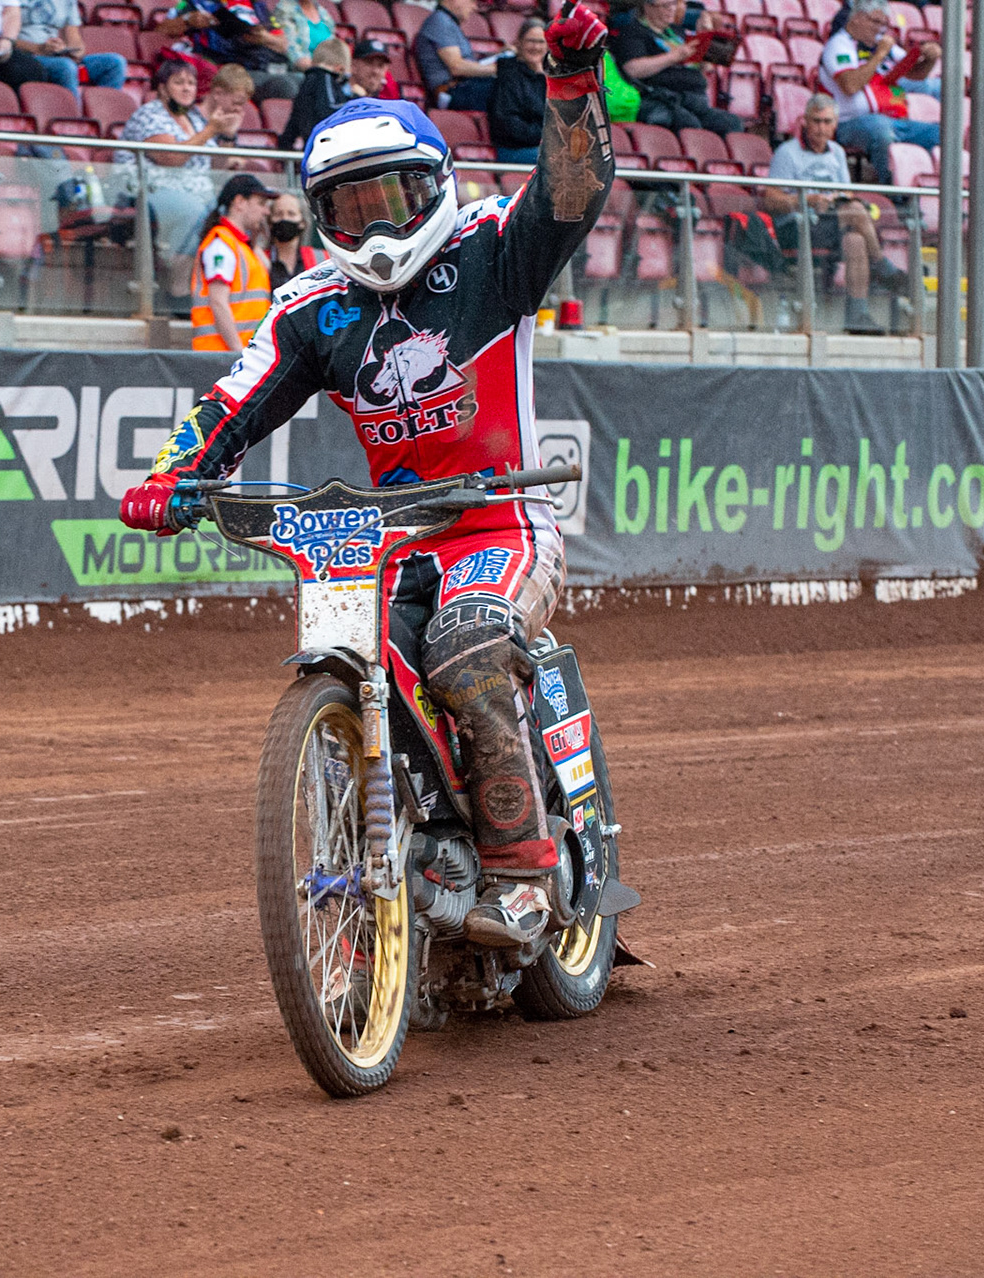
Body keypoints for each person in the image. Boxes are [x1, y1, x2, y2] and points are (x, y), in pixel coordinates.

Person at [119, 4, 616, 948]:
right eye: (349, 207)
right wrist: (174, 476)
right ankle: (394, 861)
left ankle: (520, 871)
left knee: (466, 647)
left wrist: (568, 84)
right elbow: (236, 398)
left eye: (390, 197)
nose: (374, 223)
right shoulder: (311, 307)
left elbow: (570, 190)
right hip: (392, 533)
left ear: (436, 186)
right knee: (361, 652)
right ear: (319, 217)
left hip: (501, 520)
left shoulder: (492, 252)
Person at [762, 92, 905, 334]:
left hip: (830, 221)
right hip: (797, 226)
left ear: (835, 124)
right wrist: (806, 200)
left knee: (856, 240)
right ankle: (881, 265)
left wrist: (835, 201)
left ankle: (857, 316)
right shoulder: (787, 152)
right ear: (805, 121)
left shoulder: (837, 152)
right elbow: (770, 199)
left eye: (827, 122)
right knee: (857, 212)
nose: (821, 128)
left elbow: (845, 194)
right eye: (816, 121)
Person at [117, 60, 253, 298]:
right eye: (178, 82)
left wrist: (228, 136)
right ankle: (179, 290)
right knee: (195, 211)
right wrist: (211, 130)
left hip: (196, 194)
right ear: (162, 88)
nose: (187, 88)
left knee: (230, 213)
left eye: (191, 83)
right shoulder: (150, 113)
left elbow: (214, 166)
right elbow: (170, 157)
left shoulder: (194, 120)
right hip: (147, 192)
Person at [818, 0, 940, 183]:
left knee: (941, 133)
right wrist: (879, 56)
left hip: (894, 119)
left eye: (883, 24)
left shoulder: (881, 44)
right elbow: (850, 85)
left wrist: (929, 59)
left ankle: (933, 190)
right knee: (881, 128)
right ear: (857, 18)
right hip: (850, 123)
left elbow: (912, 75)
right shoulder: (838, 45)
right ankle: (893, 190)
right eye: (875, 22)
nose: (880, 29)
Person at [613, 0, 741, 136]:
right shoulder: (633, 32)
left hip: (694, 100)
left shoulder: (676, 32)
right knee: (689, 125)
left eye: (674, 4)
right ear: (648, 6)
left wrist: (706, 42)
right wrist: (673, 57)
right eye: (666, 5)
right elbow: (633, 69)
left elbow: (704, 68)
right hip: (663, 98)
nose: (672, 9)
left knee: (731, 122)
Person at [190, 172, 276, 350]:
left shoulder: (241, 245)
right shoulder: (221, 244)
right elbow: (218, 302)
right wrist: (239, 352)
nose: (266, 211)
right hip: (222, 356)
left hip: (234, 356)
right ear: (239, 202)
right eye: (261, 204)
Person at [155, 0, 296, 100]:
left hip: (260, 66)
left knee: (304, 80)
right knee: (286, 86)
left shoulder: (257, 5)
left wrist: (263, 37)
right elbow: (159, 31)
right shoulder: (195, 3)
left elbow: (283, 44)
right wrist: (187, 20)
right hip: (222, 71)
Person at [15, 0, 126, 97]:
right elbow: (4, 39)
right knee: (66, 66)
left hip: (55, 55)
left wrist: (74, 51)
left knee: (115, 63)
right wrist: (39, 49)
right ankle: (74, 117)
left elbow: (74, 38)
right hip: (26, 57)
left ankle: (102, 115)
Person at [413, 0, 495, 111]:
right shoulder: (439, 21)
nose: (475, 7)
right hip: (451, 92)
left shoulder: (449, 22)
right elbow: (456, 67)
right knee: (509, 88)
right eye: (472, 1)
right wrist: (498, 68)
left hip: (466, 87)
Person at [487, 16, 546, 163]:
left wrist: (540, 75)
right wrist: (545, 135)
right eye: (531, 41)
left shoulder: (547, 76)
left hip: (542, 146)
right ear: (519, 42)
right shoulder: (508, 73)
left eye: (541, 42)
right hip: (513, 149)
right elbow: (508, 123)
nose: (536, 47)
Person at [277, 35, 350, 150]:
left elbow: (295, 119)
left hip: (310, 146)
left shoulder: (307, 81)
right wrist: (355, 101)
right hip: (326, 146)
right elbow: (328, 108)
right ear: (339, 68)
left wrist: (285, 145)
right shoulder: (324, 78)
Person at [264, 188, 323, 288]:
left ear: (303, 222)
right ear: (270, 222)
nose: (284, 218)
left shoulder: (320, 258)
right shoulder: (260, 259)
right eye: (278, 214)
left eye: (291, 214)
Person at [347, 32, 390, 98]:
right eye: (369, 63)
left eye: (380, 66)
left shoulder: (384, 103)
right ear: (353, 65)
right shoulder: (334, 98)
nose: (375, 71)